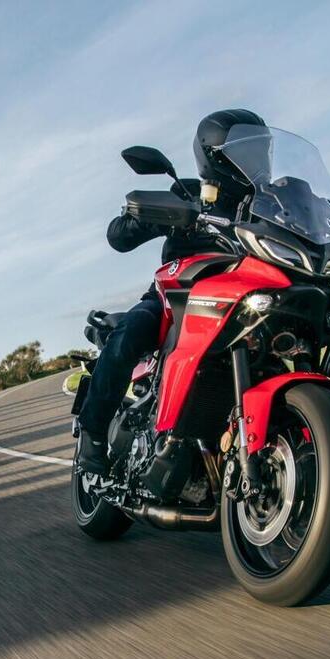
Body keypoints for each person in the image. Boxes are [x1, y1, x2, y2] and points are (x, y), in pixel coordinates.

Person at [76, 108, 266, 476]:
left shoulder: (266, 205)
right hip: (177, 297)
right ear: (216, 155)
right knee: (132, 330)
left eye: (260, 149)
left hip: (241, 297)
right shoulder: (192, 194)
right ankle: (93, 432)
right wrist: (145, 215)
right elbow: (118, 237)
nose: (255, 158)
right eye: (245, 150)